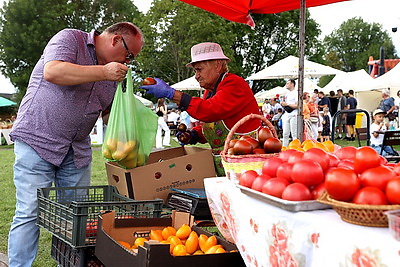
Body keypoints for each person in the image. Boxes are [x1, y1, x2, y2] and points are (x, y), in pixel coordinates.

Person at [8, 22, 144, 266]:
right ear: (115, 41)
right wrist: (103, 72)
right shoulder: (70, 39)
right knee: (30, 212)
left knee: (76, 218)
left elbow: (104, 112)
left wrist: (131, 113)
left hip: (77, 152)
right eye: (129, 55)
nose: (128, 62)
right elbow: (53, 72)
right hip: (37, 140)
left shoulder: (113, 74)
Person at [140, 42, 260, 176]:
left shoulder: (234, 84)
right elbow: (216, 125)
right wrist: (194, 135)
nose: (196, 76)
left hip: (248, 163)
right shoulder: (210, 91)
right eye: (195, 71)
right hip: (229, 164)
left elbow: (210, 111)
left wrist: (173, 94)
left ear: (218, 65)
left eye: (199, 69)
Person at [280, 79, 298, 147]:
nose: (286, 85)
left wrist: (287, 104)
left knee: (294, 133)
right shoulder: (287, 94)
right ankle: (284, 147)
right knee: (285, 133)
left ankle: (295, 147)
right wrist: (283, 104)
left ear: (292, 84)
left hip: (293, 114)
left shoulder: (296, 93)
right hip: (287, 114)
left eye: (288, 83)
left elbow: (297, 105)